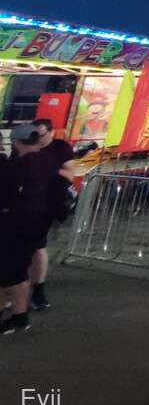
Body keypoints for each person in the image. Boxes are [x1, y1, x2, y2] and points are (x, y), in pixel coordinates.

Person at [1, 123, 72, 334]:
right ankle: (19, 315)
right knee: (15, 272)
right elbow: (64, 178)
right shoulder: (48, 161)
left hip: (14, 225)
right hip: (36, 224)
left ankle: (18, 316)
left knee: (11, 274)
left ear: (16, 141)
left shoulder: (15, 166)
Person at [26, 119, 76, 311]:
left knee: (38, 247)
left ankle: (38, 291)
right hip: (24, 202)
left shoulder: (61, 148)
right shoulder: (27, 146)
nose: (37, 139)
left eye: (41, 135)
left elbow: (70, 174)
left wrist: (48, 168)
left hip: (48, 204)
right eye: (34, 135)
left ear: (51, 132)